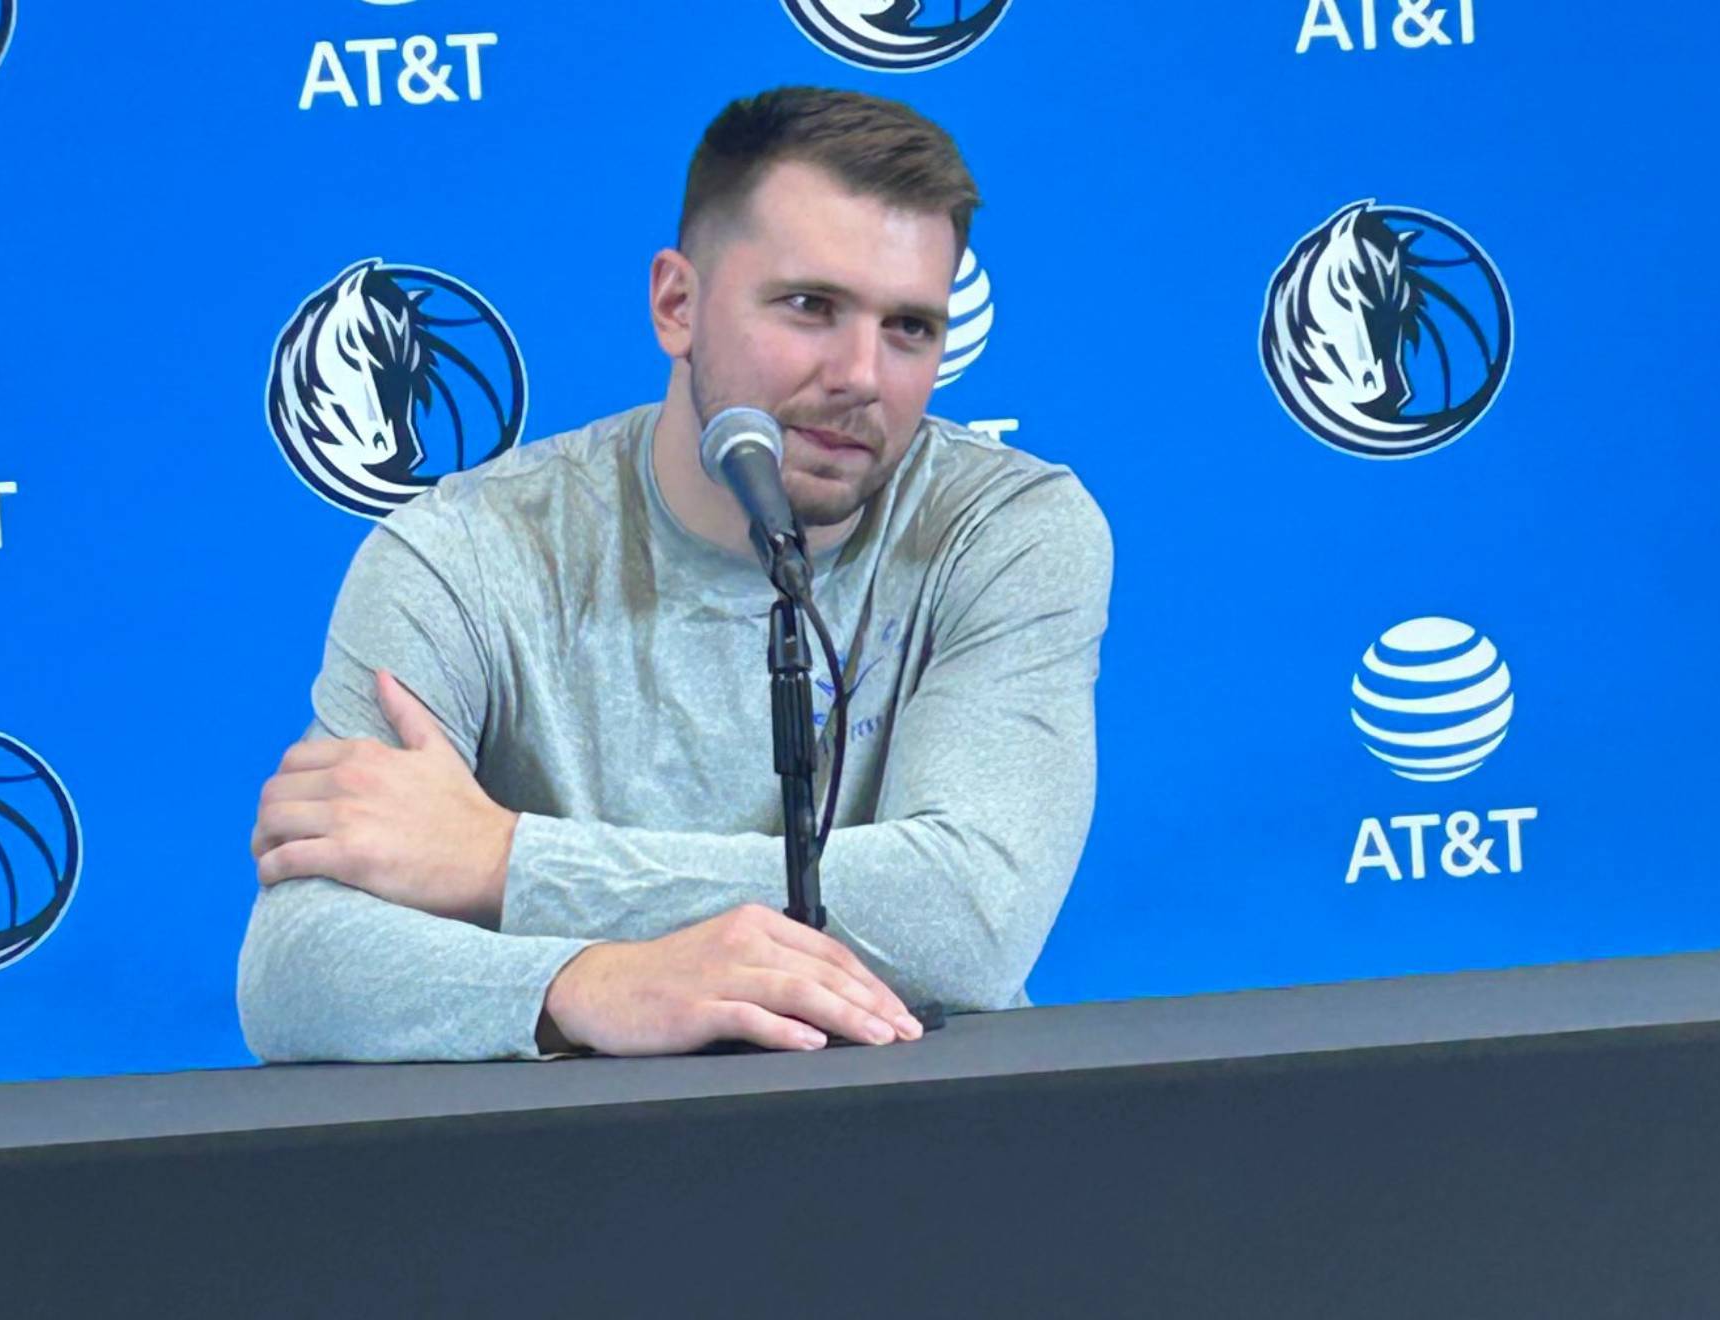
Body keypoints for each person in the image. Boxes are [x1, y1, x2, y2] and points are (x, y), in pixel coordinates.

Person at [236, 86, 1113, 1063]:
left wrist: (501, 860)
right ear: (677, 304)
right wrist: (586, 983)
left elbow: (969, 918)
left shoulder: (1002, 529)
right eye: (810, 306)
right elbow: (295, 969)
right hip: (577, 1176)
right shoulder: (460, 558)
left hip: (920, 1158)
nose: (862, 372)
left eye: (909, 327)